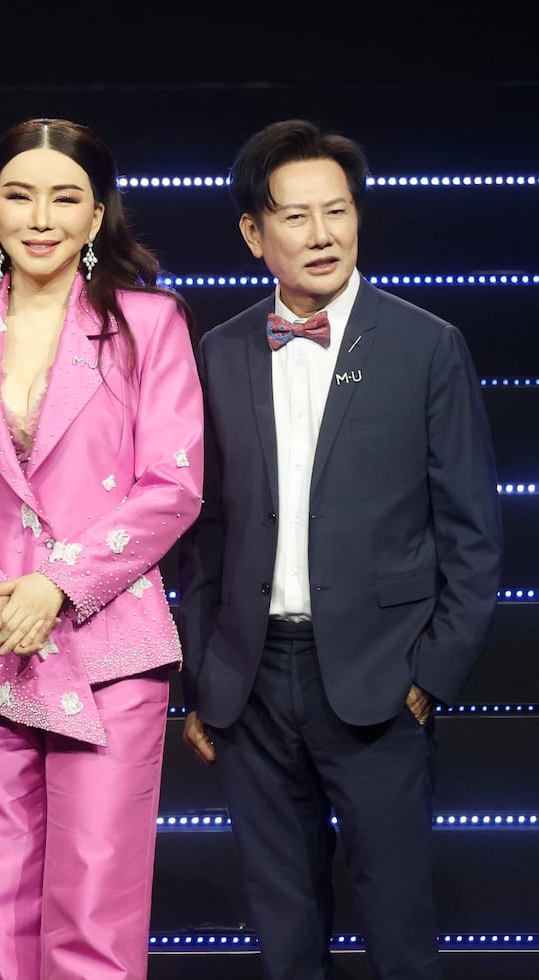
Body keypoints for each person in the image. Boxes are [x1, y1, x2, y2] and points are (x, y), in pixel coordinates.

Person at [178, 118, 503, 979]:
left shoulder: (427, 345)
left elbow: (473, 533)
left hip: (380, 680)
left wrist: (432, 676)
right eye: (295, 216)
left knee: (399, 932)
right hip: (250, 686)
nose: (322, 236)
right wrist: (203, 679)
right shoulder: (217, 352)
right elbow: (203, 533)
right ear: (254, 233)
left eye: (339, 212)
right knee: (284, 938)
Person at [0, 117, 203, 979]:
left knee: (95, 906)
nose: (41, 216)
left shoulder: (149, 323)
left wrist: (54, 590)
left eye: (65, 197)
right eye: (20, 196)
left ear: (97, 215)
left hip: (107, 646)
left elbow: (172, 485)